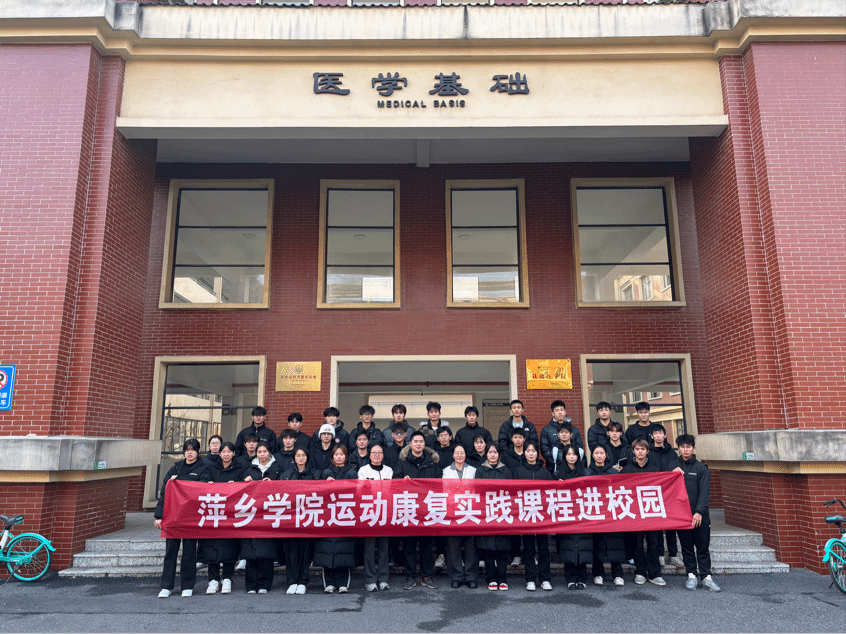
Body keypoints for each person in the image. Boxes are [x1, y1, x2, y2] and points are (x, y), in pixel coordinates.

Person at [154, 439, 210, 598]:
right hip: (173, 517)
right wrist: (159, 516)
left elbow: (202, 488)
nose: (189, 453)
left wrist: (179, 480)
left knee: (189, 553)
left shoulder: (204, 468)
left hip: (191, 517)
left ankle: (187, 586)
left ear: (198, 451)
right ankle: (166, 586)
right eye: (187, 450)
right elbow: (165, 493)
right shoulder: (175, 467)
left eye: (193, 450)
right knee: (170, 553)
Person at [394, 430, 442, 590]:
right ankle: (410, 576)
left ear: (424, 444)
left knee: (427, 545)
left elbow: (439, 484)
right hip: (409, 508)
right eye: (416, 441)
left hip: (428, 508)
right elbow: (394, 481)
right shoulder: (403, 461)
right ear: (410, 444)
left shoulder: (432, 462)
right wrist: (402, 481)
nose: (418, 444)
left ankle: (427, 576)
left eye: (421, 441)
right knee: (409, 545)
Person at [674, 434, 720, 592]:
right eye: (682, 447)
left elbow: (704, 492)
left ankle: (706, 577)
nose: (685, 450)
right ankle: (691, 575)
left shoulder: (701, 468)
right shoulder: (673, 467)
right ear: (679, 449)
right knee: (686, 548)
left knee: (702, 548)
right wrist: (672, 474)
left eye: (688, 447)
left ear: (693, 448)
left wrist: (699, 511)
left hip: (700, 515)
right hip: (682, 516)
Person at [622, 439, 665, 587]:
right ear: (633, 451)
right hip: (635, 513)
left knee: (654, 544)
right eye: (637, 449)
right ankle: (640, 572)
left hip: (651, 511)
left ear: (647, 451)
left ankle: (655, 573)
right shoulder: (627, 470)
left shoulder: (655, 469)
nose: (640, 452)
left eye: (642, 449)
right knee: (637, 544)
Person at [315, 445, 357, 593]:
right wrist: (325, 485)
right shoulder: (325, 473)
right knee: (327, 549)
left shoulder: (352, 473)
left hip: (345, 515)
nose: (339, 457)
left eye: (342, 454)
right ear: (332, 457)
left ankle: (343, 582)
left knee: (344, 549)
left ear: (346, 456)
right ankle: (329, 582)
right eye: (336, 454)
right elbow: (318, 495)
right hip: (327, 516)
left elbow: (356, 493)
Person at [242, 441, 282, 594]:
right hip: (252, 513)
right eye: (259, 452)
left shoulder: (277, 469)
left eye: (265, 451)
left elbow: (285, 488)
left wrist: (273, 484)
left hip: (270, 513)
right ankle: (251, 584)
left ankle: (264, 584)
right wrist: (245, 483)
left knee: (267, 551)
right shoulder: (249, 469)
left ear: (270, 453)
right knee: (251, 551)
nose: (262, 454)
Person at [203, 442, 243, 595]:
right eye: (224, 451)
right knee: (212, 546)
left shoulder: (239, 469)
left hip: (231, 513)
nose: (226, 454)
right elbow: (203, 484)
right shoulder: (211, 468)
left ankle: (227, 578)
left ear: (234, 453)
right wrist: (208, 484)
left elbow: (245, 489)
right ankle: (213, 579)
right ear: (219, 453)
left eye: (229, 451)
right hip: (214, 512)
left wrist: (237, 485)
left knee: (229, 546)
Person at [513, 441, 553, 591]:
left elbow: (552, 491)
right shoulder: (518, 471)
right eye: (528, 451)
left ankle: (545, 578)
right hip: (526, 514)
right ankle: (530, 579)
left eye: (533, 451)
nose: (531, 453)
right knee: (528, 548)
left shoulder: (545, 472)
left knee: (543, 548)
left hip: (542, 515)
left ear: (538, 453)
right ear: (524, 453)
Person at [586, 444, 625, 587]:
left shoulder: (613, 471)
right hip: (595, 512)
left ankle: (618, 574)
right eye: (596, 453)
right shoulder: (587, 472)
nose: (599, 455)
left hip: (611, 511)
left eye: (602, 453)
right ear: (592, 455)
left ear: (606, 455)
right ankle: (598, 574)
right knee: (597, 544)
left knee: (615, 543)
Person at [475, 443, 512, 590]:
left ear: (499, 454)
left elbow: (511, 491)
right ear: (486, 454)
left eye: (495, 452)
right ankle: (491, 578)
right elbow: (478, 490)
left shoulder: (506, 470)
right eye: (490, 452)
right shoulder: (480, 470)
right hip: (487, 512)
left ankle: (502, 578)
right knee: (488, 547)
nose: (492, 455)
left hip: (503, 512)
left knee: (503, 547)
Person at [357, 444, 394, 592]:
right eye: (374, 452)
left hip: (385, 512)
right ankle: (370, 580)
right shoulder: (363, 470)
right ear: (370, 455)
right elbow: (359, 491)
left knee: (384, 547)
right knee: (370, 548)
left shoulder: (388, 471)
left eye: (379, 452)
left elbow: (392, 490)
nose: (377, 455)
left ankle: (383, 579)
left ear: (383, 455)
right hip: (369, 513)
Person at [442, 444, 478, 589]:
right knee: (453, 545)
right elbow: (445, 491)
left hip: (470, 511)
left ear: (465, 455)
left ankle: (471, 577)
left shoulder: (473, 470)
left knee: (471, 546)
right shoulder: (446, 471)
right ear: (452, 455)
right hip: (453, 512)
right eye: (456, 453)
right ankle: (456, 577)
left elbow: (475, 490)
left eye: (462, 452)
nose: (459, 455)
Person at [555, 445, 591, 589]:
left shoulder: (585, 472)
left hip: (582, 513)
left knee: (583, 547)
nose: (571, 457)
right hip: (565, 514)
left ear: (578, 456)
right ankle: (570, 578)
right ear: (564, 456)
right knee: (567, 547)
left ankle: (582, 578)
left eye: (574, 454)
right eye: (568, 454)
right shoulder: (558, 473)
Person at [280, 447, 315, 595]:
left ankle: (303, 581)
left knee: (305, 552)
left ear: (308, 457)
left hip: (308, 519)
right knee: (291, 552)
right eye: (298, 455)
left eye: (303, 455)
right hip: (290, 519)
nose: (301, 458)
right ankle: (292, 581)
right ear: (294, 457)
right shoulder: (286, 475)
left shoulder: (315, 475)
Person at [649, 424, 680, 566]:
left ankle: (673, 554)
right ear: (652, 436)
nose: (658, 436)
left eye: (661, 433)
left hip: (670, 492)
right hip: (654, 493)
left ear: (665, 435)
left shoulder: (672, 453)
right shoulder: (648, 452)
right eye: (655, 434)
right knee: (657, 525)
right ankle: (660, 554)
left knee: (671, 525)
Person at [539, 400, 585, 467]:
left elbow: (579, 446)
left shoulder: (574, 429)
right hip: (554, 467)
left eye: (562, 410)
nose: (560, 412)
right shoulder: (546, 430)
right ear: (552, 413)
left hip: (573, 466)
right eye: (557, 410)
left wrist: (571, 460)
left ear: (565, 412)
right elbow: (545, 450)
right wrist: (557, 460)